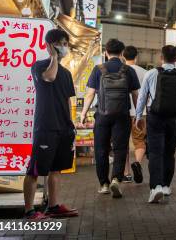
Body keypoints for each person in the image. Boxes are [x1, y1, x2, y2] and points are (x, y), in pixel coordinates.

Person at [24, 29, 78, 220]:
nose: (64, 47)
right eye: (60, 43)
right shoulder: (39, 66)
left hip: (63, 128)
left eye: (65, 43)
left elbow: (67, 100)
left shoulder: (66, 73)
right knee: (35, 170)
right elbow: (49, 77)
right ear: (49, 45)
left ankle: (54, 206)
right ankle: (30, 210)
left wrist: (71, 124)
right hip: (45, 126)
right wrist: (53, 57)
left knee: (57, 168)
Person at [80, 39, 140, 198]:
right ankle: (116, 179)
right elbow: (136, 95)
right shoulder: (128, 70)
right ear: (122, 53)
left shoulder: (98, 69)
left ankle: (104, 184)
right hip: (122, 115)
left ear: (106, 52)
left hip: (102, 114)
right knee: (120, 149)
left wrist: (83, 113)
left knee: (101, 149)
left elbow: (90, 94)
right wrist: (139, 115)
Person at [135, 45, 176, 203]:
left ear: (161, 57)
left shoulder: (151, 73)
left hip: (155, 117)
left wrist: (139, 116)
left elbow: (142, 97)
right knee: (169, 152)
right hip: (174, 118)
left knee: (155, 152)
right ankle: (166, 185)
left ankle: (156, 187)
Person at [122, 46, 147, 184]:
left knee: (124, 143)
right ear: (136, 57)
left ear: (123, 57)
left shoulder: (121, 71)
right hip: (140, 113)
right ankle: (137, 162)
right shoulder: (145, 72)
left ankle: (126, 173)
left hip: (123, 112)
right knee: (139, 141)